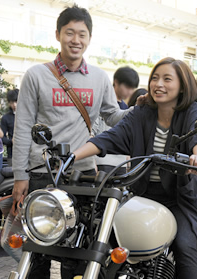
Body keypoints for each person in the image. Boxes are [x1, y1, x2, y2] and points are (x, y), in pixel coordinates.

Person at [72, 57, 197, 278]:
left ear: (182, 86)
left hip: (180, 199)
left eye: (167, 79)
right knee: (103, 239)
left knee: (185, 248)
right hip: (141, 196)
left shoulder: (191, 111)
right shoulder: (142, 113)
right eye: (155, 78)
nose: (158, 84)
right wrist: (72, 156)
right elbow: (111, 137)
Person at [12, 5, 129, 278]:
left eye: (82, 34)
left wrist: (141, 107)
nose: (76, 40)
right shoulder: (36, 75)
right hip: (42, 173)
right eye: (69, 33)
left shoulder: (100, 78)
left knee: (78, 251)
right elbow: (23, 128)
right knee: (36, 248)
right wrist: (20, 175)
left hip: (83, 174)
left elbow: (112, 116)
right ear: (57, 35)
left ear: (89, 38)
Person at [94, 67, 139, 174]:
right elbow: (92, 133)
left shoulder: (125, 107)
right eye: (127, 87)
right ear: (116, 82)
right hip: (102, 161)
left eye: (132, 88)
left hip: (120, 164)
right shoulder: (102, 103)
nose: (130, 92)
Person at [1, 89, 18, 163]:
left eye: (16, 101)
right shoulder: (6, 118)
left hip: (30, 153)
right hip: (12, 155)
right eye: (11, 102)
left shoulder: (29, 115)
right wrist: (11, 141)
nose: (14, 105)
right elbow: (1, 138)